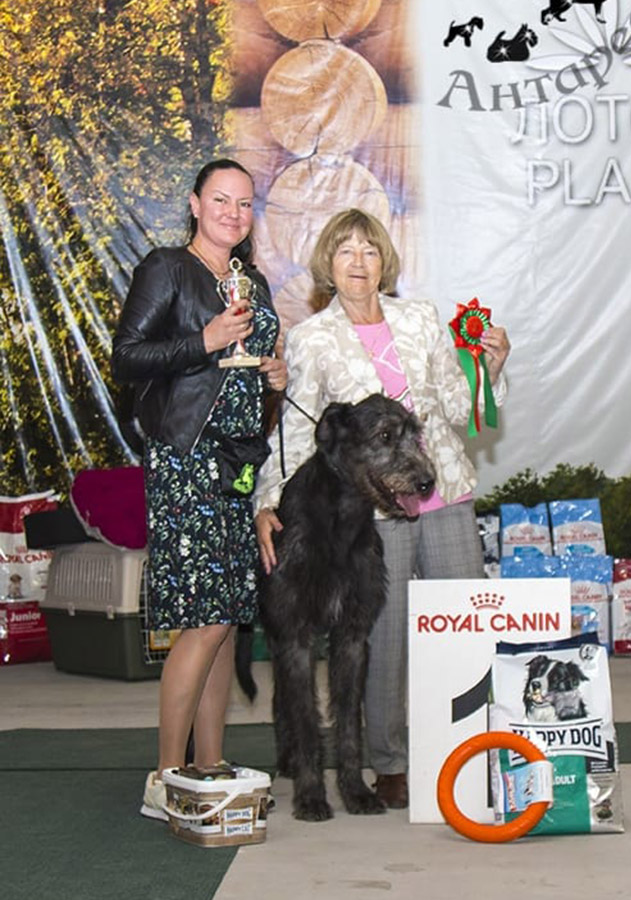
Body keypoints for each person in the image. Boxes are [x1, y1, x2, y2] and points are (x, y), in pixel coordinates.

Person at [254, 208, 510, 810]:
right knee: (382, 642)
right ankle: (391, 764)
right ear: (328, 264)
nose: (358, 263)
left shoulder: (420, 320)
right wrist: (269, 500)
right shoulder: (312, 337)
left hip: (445, 492)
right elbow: (295, 431)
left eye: (369, 251)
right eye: (345, 251)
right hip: (374, 513)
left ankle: (474, 750)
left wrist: (491, 371)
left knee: (467, 632)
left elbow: (452, 404)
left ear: (384, 261)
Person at [111, 158, 287, 820]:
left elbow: (249, 370)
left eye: (244, 205)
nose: (233, 214)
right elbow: (126, 358)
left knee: (222, 619)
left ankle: (207, 765)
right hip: (186, 459)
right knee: (207, 617)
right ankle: (164, 777)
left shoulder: (255, 282)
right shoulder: (167, 268)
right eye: (221, 200)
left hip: (238, 462)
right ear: (194, 203)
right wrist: (203, 339)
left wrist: (273, 374)